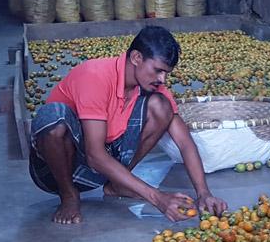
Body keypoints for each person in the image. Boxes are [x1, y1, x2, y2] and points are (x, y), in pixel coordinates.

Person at [30, 26, 227, 224]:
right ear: (136, 58)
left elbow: (185, 143)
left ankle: (118, 185)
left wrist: (203, 193)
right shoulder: (95, 75)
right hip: (57, 170)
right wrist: (156, 197)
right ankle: (69, 195)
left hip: (101, 169)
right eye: (158, 70)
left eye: (166, 73)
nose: (162, 79)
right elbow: (94, 155)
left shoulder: (152, 86)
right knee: (53, 116)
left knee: (161, 106)